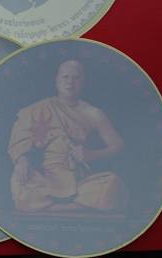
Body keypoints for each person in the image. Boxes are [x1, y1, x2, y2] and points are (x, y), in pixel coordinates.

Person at [8, 60, 128, 212]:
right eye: (65, 77)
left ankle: (50, 208)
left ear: (83, 82)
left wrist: (92, 155)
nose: (70, 82)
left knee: (113, 184)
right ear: (57, 80)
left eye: (76, 78)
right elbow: (19, 138)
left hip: (79, 180)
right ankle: (77, 208)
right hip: (46, 178)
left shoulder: (93, 113)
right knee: (19, 180)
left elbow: (118, 146)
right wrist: (21, 160)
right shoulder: (38, 108)